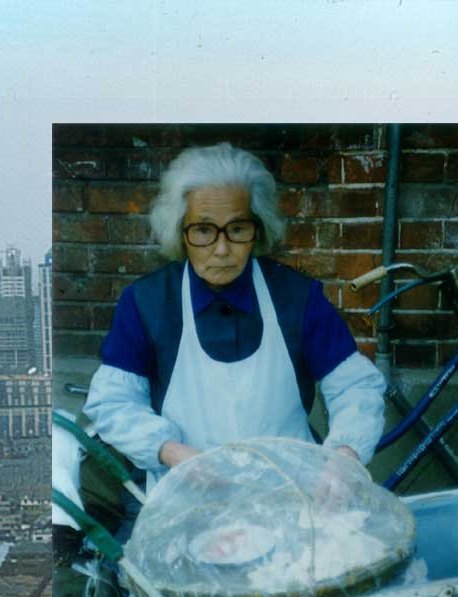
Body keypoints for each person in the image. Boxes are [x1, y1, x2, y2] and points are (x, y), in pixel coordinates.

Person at [83, 142, 386, 487]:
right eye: (203, 230)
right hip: (188, 496)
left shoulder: (297, 296)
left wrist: (345, 455)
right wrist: (169, 451)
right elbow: (113, 402)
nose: (222, 249)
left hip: (292, 494)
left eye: (238, 229)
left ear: (258, 228)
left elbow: (355, 387)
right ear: (180, 231)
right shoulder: (146, 302)